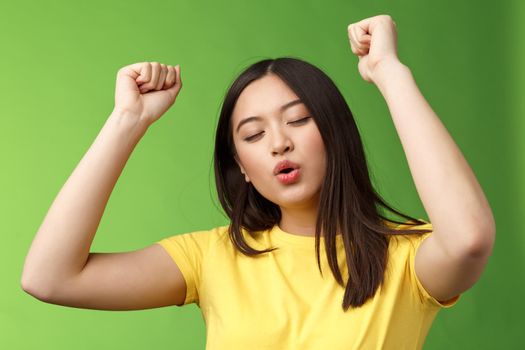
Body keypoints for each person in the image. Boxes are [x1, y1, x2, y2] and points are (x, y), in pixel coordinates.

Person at [21, 14, 495, 349]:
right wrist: (127, 119)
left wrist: (390, 74)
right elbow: (49, 278)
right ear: (242, 168)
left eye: (299, 120)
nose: (277, 144)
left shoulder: (406, 257)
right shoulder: (212, 257)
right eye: (253, 134)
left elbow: (469, 238)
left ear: (335, 134)